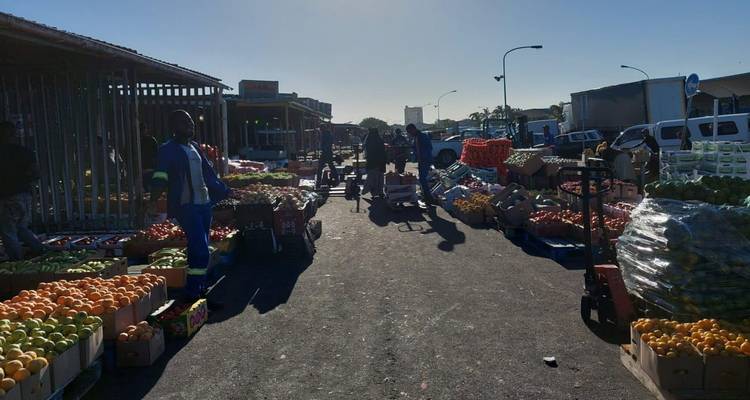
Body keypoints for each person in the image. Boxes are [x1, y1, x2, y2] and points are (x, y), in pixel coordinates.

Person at [148, 110, 230, 307]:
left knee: (200, 248)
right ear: (174, 127)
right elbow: (160, 177)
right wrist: (152, 200)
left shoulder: (194, 147)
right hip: (187, 206)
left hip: (204, 205)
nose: (190, 125)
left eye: (191, 122)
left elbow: (208, 175)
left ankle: (200, 290)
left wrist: (226, 191)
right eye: (185, 123)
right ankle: (194, 293)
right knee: (200, 249)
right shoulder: (167, 149)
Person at [0, 121, 44, 260]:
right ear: (14, 134)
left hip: (6, 196)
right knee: (21, 227)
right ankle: (40, 250)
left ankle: (17, 263)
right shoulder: (25, 152)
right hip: (24, 195)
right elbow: (36, 173)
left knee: (8, 231)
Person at [406, 123, 434, 204]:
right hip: (421, 160)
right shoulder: (416, 137)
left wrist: (423, 156)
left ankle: (429, 197)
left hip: (425, 160)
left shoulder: (423, 136)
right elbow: (415, 148)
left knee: (422, 179)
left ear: (413, 129)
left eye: (409, 132)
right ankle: (426, 195)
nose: (409, 134)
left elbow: (429, 148)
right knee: (422, 179)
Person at [363, 128, 387, 198]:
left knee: (372, 178)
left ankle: (374, 193)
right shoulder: (380, 140)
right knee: (380, 178)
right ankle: (380, 192)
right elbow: (383, 152)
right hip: (380, 163)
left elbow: (367, 152)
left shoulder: (368, 140)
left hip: (372, 162)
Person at [140, 122, 160, 192]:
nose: (141, 132)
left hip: (148, 169)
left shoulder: (151, 140)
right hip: (143, 170)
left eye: (142, 129)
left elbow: (156, 154)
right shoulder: (151, 140)